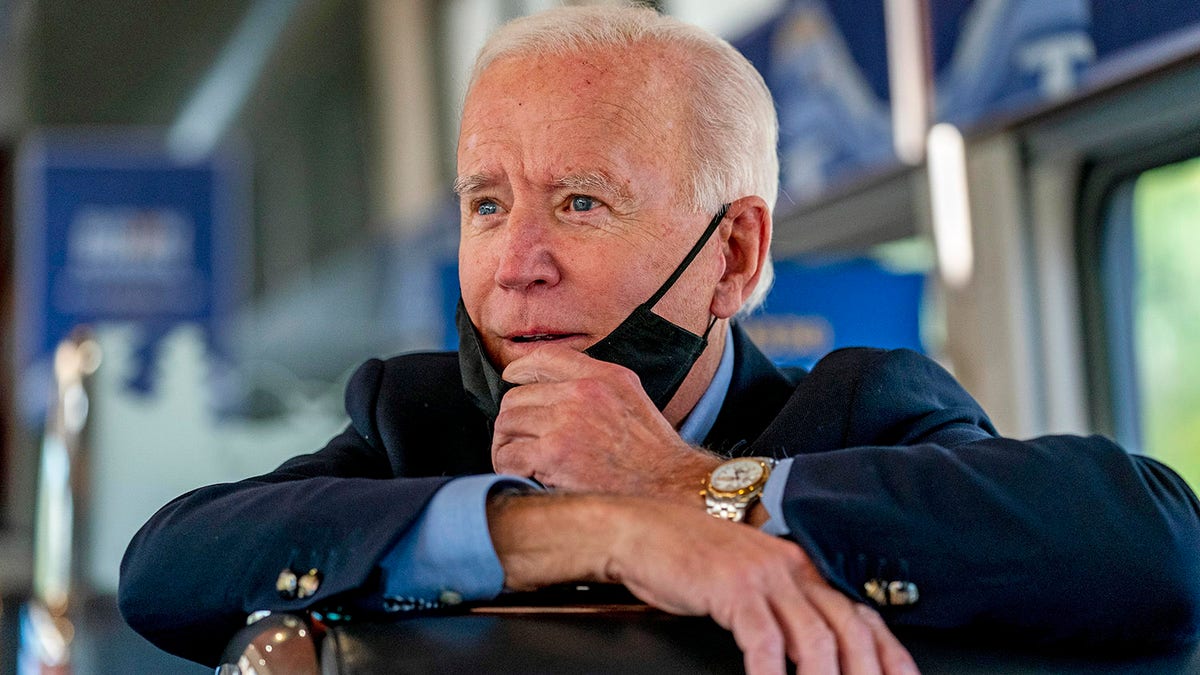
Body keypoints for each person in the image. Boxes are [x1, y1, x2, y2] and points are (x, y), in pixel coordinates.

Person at [119, 5, 1200, 674]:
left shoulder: (860, 411)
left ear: (732, 257)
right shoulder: (415, 420)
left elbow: (1156, 545)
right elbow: (169, 565)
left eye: (581, 203)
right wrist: (598, 533)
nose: (516, 262)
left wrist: (696, 487)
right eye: (487, 205)